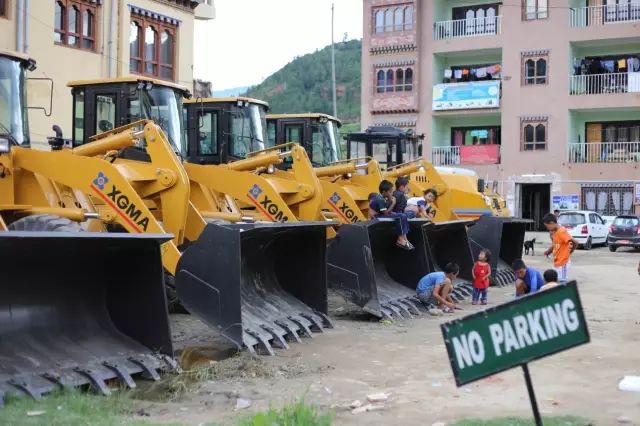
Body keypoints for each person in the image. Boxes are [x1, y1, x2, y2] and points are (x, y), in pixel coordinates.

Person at [370, 180, 413, 250]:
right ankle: (400, 239)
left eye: (392, 191)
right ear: (384, 192)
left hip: (381, 214)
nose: (392, 193)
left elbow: (386, 210)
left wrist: (390, 202)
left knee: (403, 215)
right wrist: (393, 203)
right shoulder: (379, 199)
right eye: (390, 192)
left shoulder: (384, 198)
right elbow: (386, 213)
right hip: (376, 217)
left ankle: (405, 238)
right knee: (400, 216)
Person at [542, 213, 579, 283]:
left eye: (547, 226)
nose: (547, 228)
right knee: (554, 282)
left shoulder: (561, 231)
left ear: (551, 223)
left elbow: (575, 243)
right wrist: (548, 251)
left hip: (563, 263)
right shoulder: (555, 232)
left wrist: (569, 253)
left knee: (562, 283)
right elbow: (555, 245)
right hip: (557, 262)